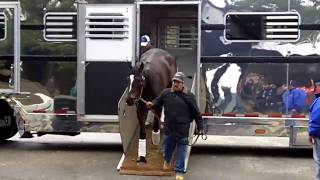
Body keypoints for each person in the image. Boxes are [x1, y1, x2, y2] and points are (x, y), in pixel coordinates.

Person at [146, 72, 204, 180]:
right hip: (169, 129)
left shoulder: (189, 96)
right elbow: (157, 101)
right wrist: (152, 104)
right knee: (167, 149)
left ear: (182, 83)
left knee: (181, 151)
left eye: (177, 82)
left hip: (183, 129)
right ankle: (167, 160)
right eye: (174, 81)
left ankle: (179, 172)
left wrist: (200, 127)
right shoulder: (166, 93)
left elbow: (196, 112)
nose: (175, 84)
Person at [308, 80, 320, 180]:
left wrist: (311, 133)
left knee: (319, 159)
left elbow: (315, 121)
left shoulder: (319, 102)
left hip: (318, 136)